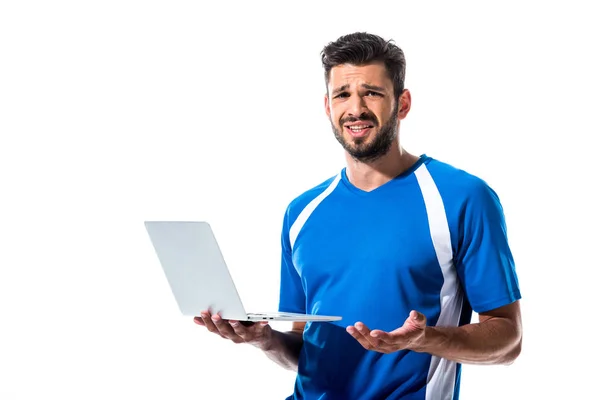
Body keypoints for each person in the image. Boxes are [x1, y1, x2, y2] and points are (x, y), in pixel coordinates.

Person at [194, 32, 523, 399]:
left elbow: (508, 339)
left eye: (372, 92)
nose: (356, 109)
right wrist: (265, 339)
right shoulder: (302, 211)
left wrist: (425, 339)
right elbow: (307, 349)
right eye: (343, 95)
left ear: (403, 103)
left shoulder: (462, 197)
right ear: (327, 106)